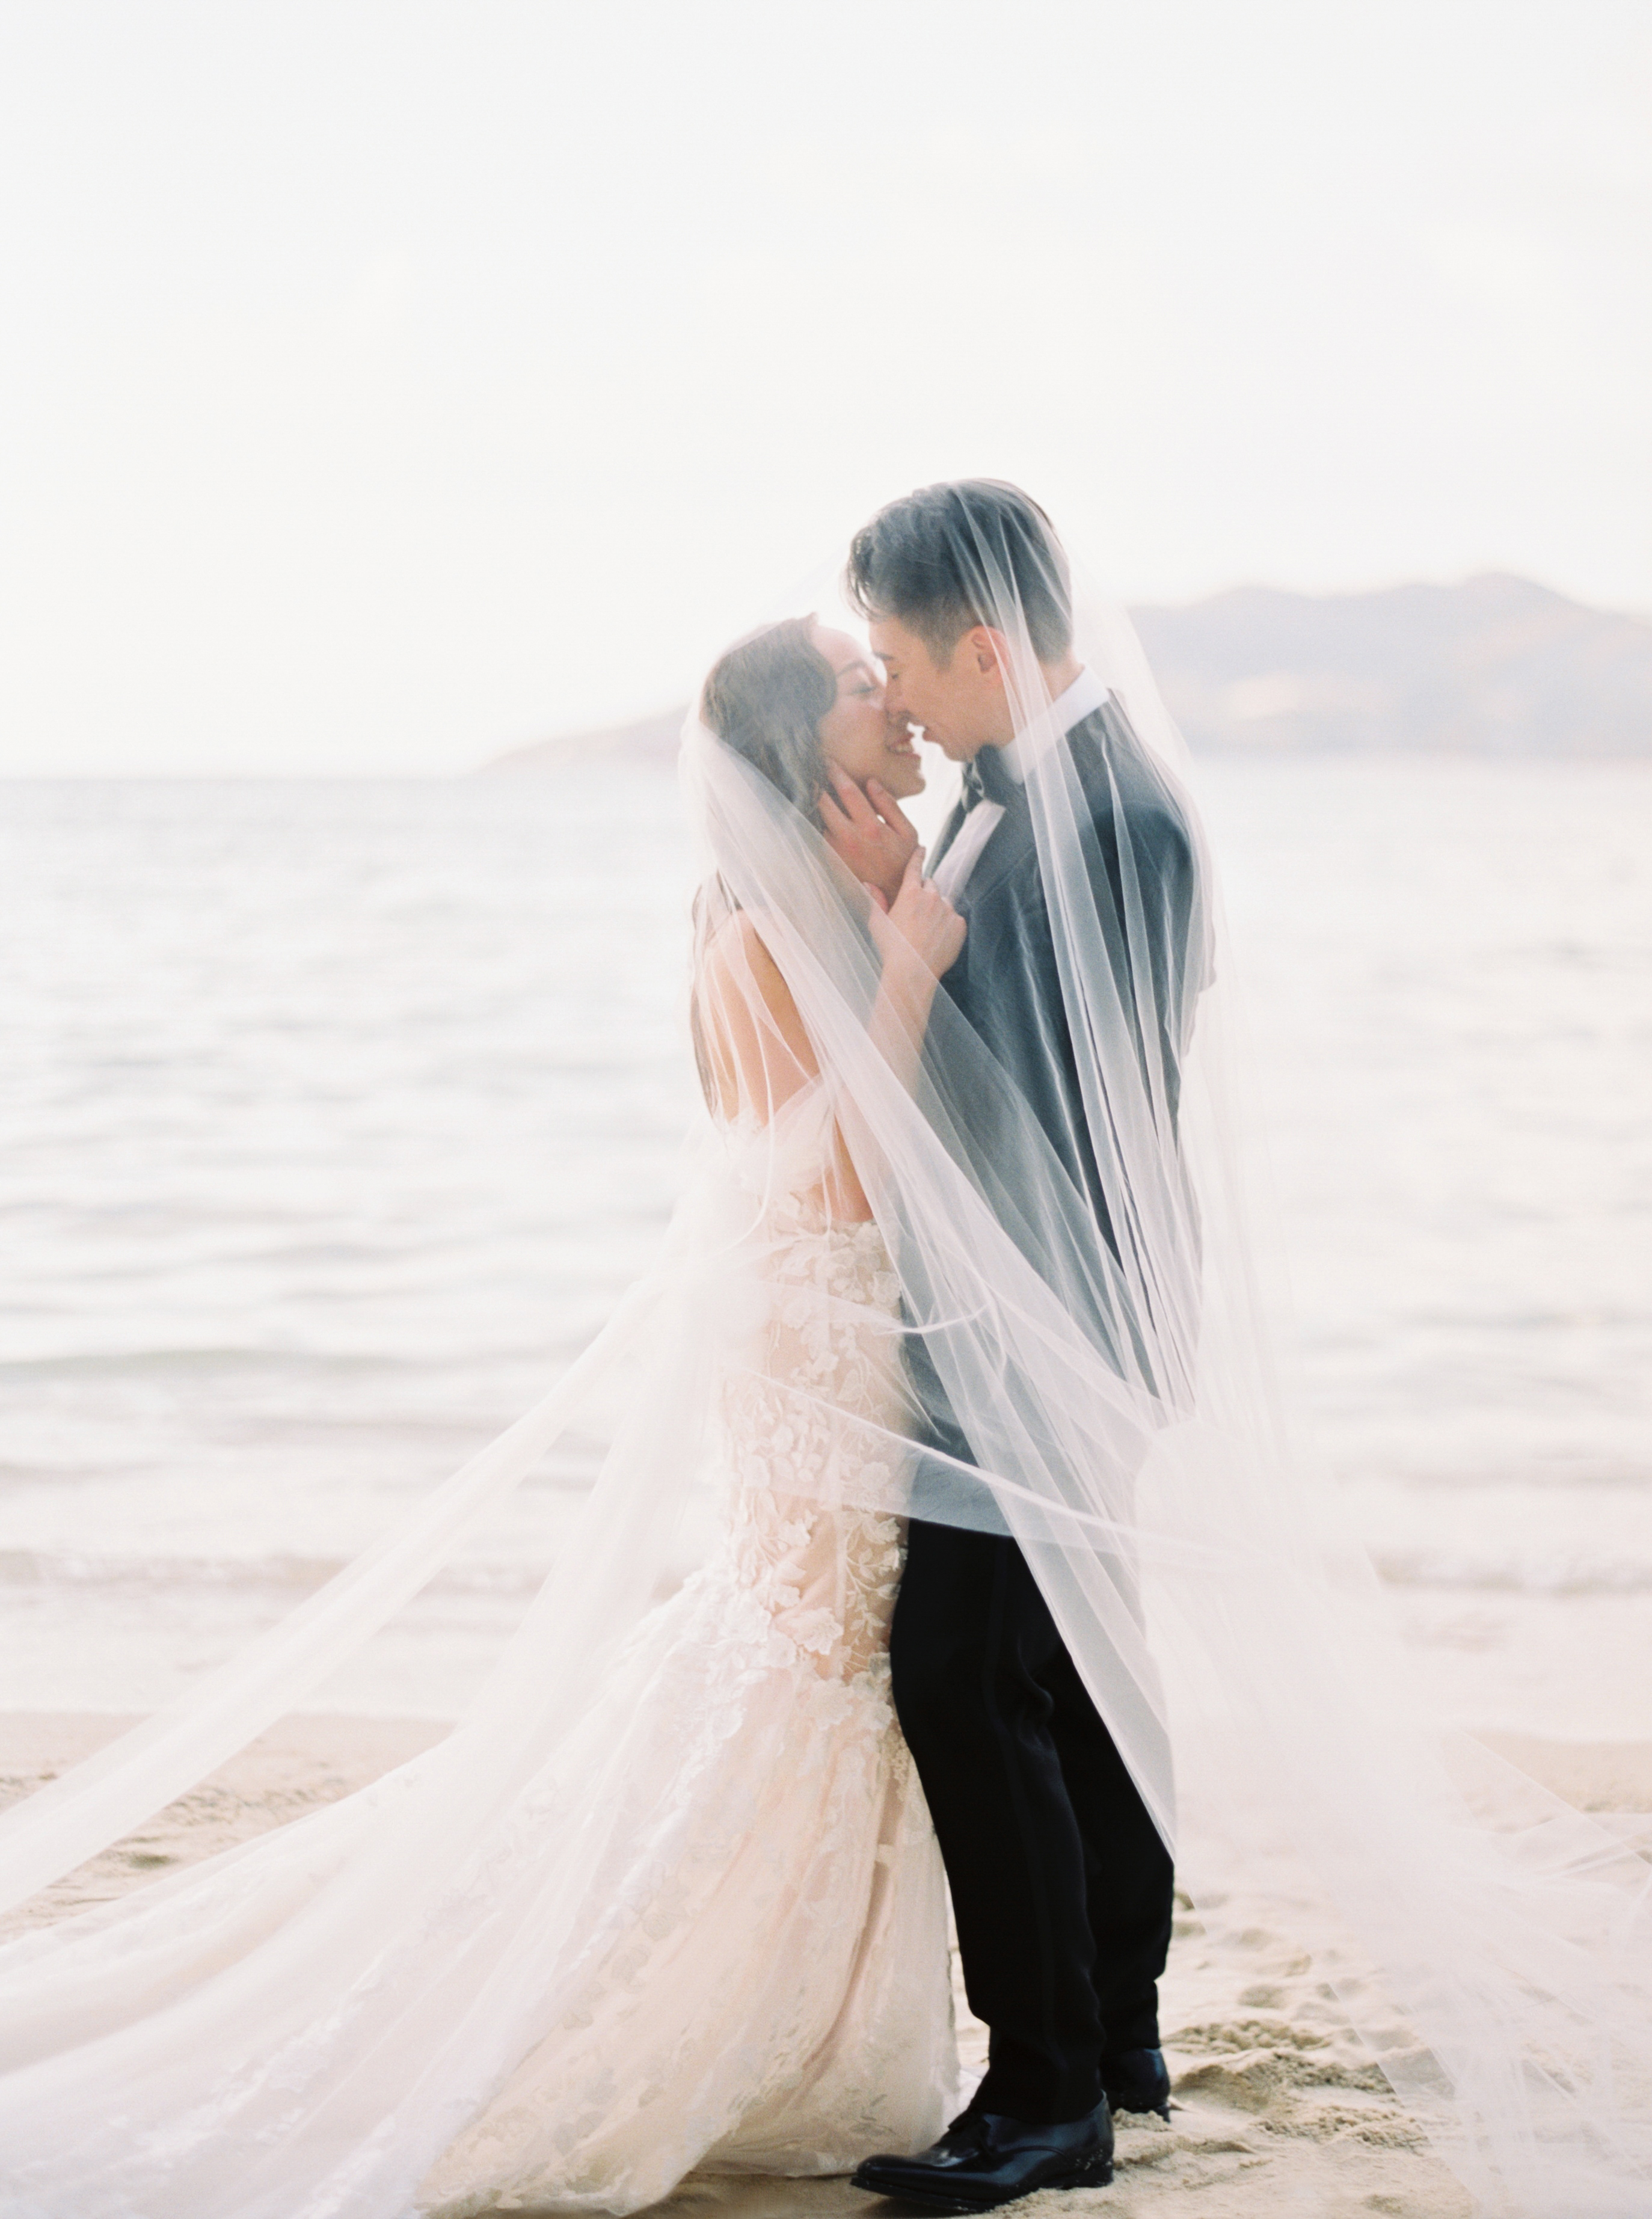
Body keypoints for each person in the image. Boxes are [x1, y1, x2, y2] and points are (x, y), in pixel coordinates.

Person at [817, 480, 1206, 2209]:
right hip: (1023, 1315)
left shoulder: (1103, 816)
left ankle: (1049, 2091)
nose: (890, 697)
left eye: (900, 660)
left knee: (962, 1682)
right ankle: (1113, 2032)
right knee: (1050, 1678)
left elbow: (1052, 1120)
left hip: (1040, 1319)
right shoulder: (1023, 793)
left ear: (983, 644)